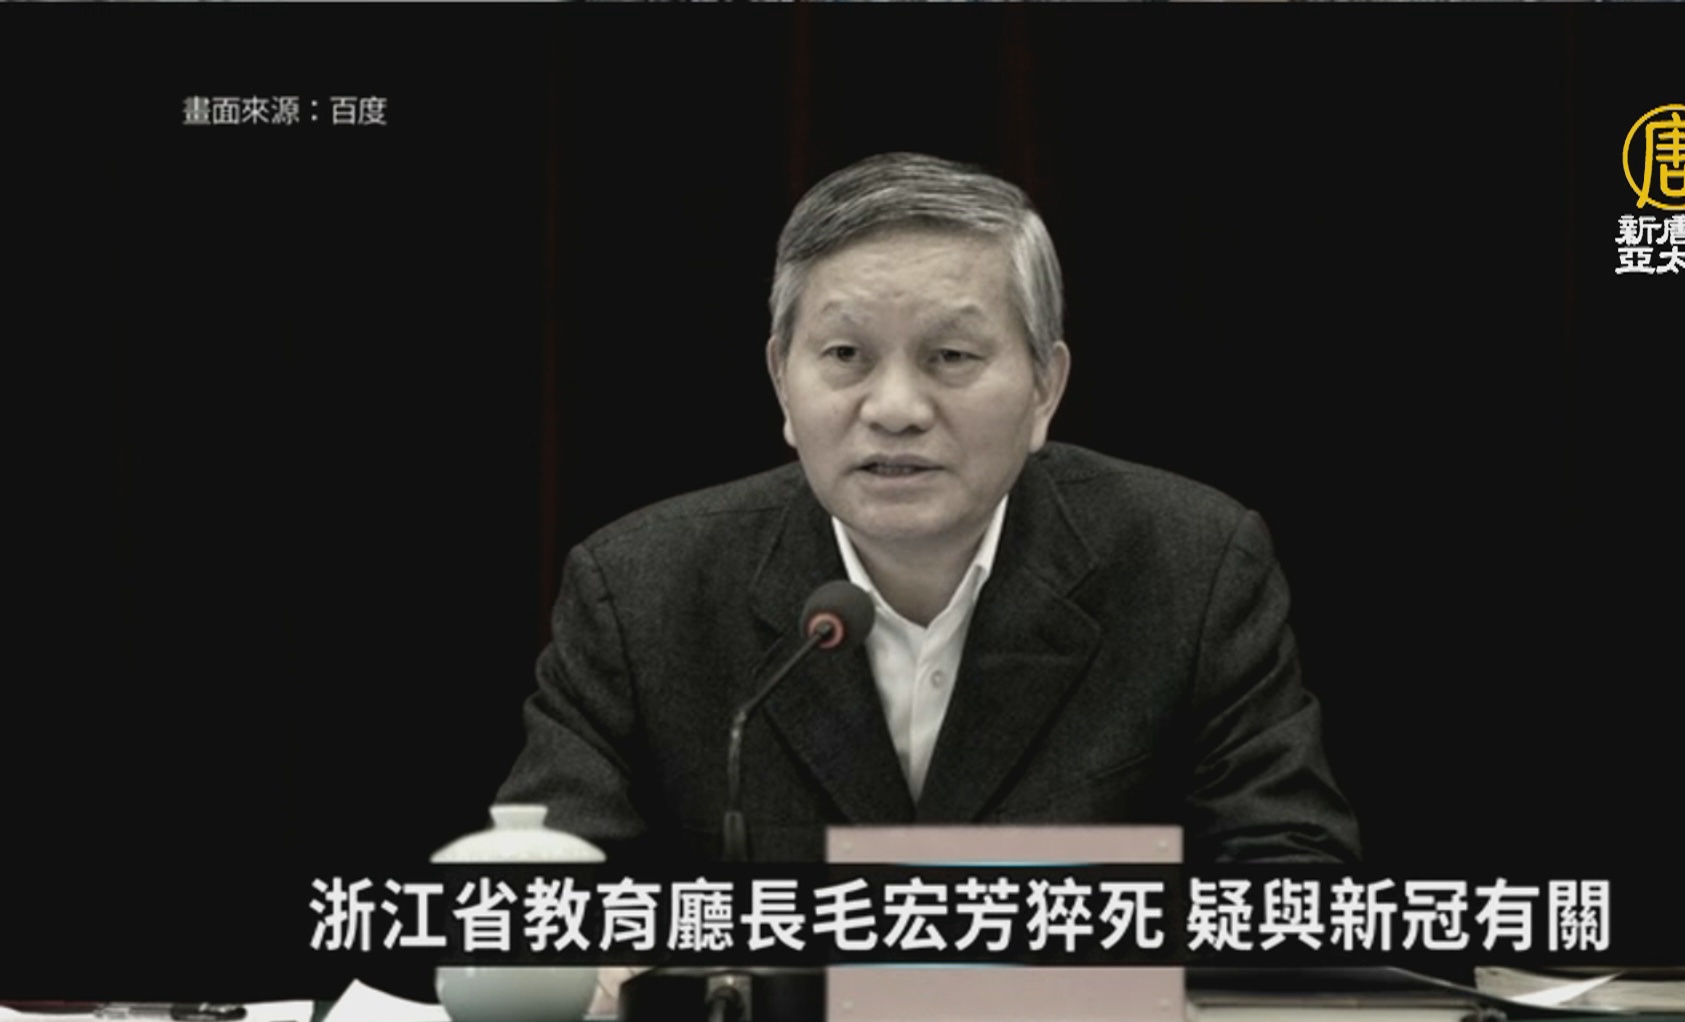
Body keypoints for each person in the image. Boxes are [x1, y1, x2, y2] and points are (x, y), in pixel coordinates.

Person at [497, 152, 1359, 865]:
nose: (896, 408)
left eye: (951, 356)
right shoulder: (641, 591)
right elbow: (536, 889)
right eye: (846, 354)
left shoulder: (1192, 565)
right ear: (782, 383)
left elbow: (1293, 874)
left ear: (1046, 388)